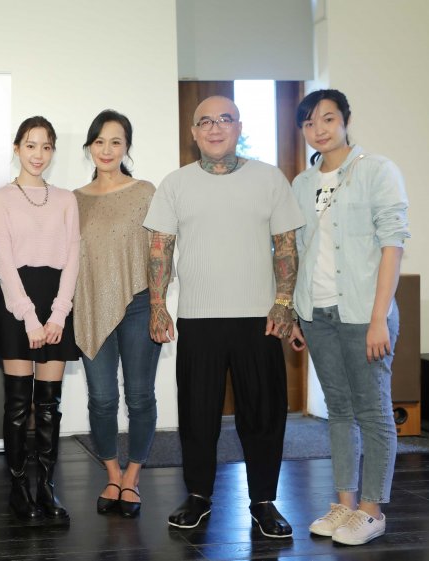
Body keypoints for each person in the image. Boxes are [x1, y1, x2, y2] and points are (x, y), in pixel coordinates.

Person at [144, 96, 304, 538]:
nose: (215, 128)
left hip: (260, 318)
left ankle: (264, 501)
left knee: (264, 414)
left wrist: (284, 301)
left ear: (238, 127)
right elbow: (159, 249)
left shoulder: (270, 179)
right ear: (193, 132)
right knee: (198, 415)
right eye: (205, 121)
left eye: (225, 120)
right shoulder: (175, 184)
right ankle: (198, 496)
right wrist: (158, 305)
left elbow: (286, 245)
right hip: (198, 319)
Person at [288, 89, 409, 546]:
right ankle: (344, 503)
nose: (318, 129)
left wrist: (379, 318)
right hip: (316, 313)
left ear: (345, 120)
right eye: (309, 122)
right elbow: (300, 250)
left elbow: (392, 245)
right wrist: (297, 313)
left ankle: (372, 510)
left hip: (363, 313)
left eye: (327, 118)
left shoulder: (377, 170)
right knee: (338, 410)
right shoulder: (302, 183)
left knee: (373, 411)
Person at [0, 116, 80, 521]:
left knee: (49, 405)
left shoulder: (66, 199)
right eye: (30, 145)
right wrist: (29, 317)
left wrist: (58, 314)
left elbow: (73, 256)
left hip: (56, 303)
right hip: (15, 304)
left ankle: (47, 488)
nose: (38, 154)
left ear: (53, 151)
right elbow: (2, 262)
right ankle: (19, 488)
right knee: (18, 406)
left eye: (46, 146)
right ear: (17, 148)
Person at [73, 110, 162, 518]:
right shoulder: (75, 199)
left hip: (140, 303)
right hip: (90, 305)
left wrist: (160, 306)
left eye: (116, 142)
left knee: (140, 396)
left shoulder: (145, 192)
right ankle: (112, 474)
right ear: (89, 146)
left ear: (127, 147)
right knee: (102, 398)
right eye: (99, 141)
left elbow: (161, 251)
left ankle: (133, 477)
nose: (107, 150)